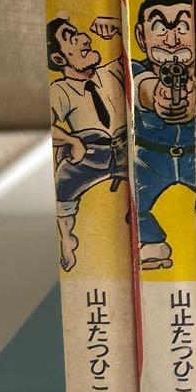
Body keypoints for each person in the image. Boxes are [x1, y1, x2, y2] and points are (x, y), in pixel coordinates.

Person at [47, 15, 128, 272]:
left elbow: (141, 57)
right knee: (64, 182)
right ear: (59, 58)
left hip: (126, 149)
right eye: (71, 38)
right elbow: (50, 126)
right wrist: (71, 140)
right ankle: (67, 238)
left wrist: (118, 30)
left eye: (79, 33)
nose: (85, 39)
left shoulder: (111, 71)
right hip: (91, 153)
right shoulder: (61, 90)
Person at [131, 0, 196, 269]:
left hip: (195, 158)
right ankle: (151, 243)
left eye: (183, 27)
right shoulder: (136, 69)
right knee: (129, 203)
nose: (172, 40)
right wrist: (158, 95)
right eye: (159, 27)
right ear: (141, 36)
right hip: (150, 160)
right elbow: (143, 87)